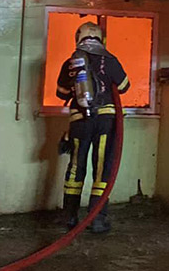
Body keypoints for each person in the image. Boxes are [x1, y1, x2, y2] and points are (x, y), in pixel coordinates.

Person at [56, 21, 130, 234]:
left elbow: (61, 93)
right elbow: (124, 87)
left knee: (76, 165)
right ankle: (97, 219)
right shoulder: (111, 60)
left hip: (79, 121)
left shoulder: (71, 62)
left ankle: (69, 217)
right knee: (102, 169)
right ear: (101, 39)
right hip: (106, 121)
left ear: (78, 38)